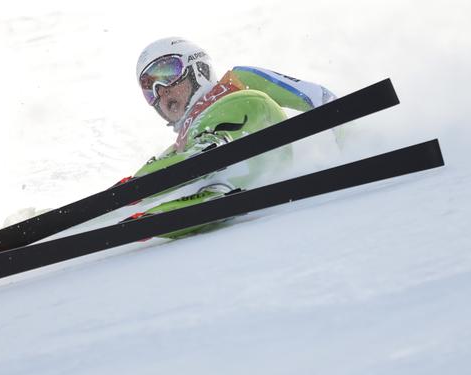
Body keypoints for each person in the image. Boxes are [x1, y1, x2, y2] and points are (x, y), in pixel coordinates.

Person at [125, 37, 339, 238]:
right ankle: (204, 199)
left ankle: (212, 149)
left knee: (248, 101)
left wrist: (350, 136)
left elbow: (316, 97)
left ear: (197, 68)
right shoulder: (182, 141)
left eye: (167, 73)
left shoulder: (236, 82)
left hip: (259, 129)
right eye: (149, 88)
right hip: (240, 178)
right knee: (167, 159)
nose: (161, 91)